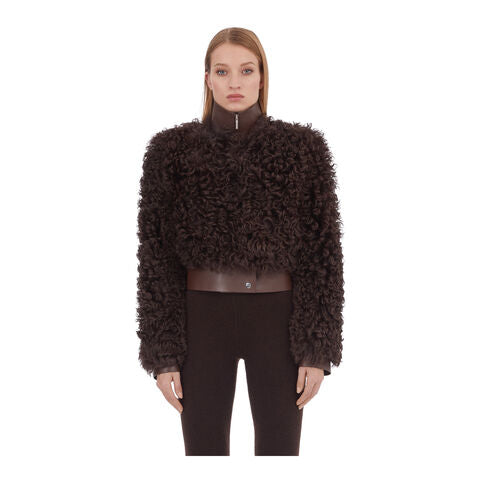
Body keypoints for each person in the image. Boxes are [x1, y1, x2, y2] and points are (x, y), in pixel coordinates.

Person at [136, 27, 344, 456]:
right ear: (207, 78)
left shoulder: (302, 150)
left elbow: (322, 252)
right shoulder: (170, 152)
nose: (235, 82)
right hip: (201, 319)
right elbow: (156, 257)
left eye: (246, 70)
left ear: (262, 77)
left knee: (280, 454)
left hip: (278, 320)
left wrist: (316, 348)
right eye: (223, 71)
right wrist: (163, 353)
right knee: (204, 454)